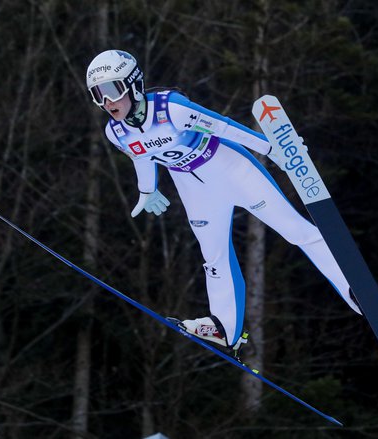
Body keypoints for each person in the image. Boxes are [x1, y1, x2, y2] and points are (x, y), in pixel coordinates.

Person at [86, 49, 361, 353]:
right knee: (213, 257)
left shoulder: (171, 109)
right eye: (98, 95)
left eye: (112, 90)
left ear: (134, 83)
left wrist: (271, 150)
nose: (106, 102)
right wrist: (147, 189)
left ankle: (351, 286)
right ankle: (224, 328)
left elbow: (224, 126)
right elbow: (141, 155)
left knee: (295, 231)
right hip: (193, 187)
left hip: (230, 168)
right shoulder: (115, 132)